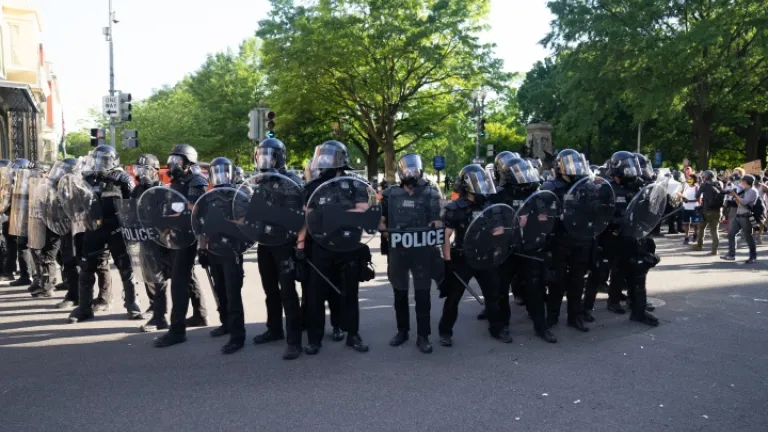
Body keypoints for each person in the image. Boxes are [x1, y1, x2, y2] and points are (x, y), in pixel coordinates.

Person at [298, 140, 372, 355]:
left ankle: (352, 334)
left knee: (349, 293)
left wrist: (329, 214)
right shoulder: (313, 186)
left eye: (329, 156)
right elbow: (305, 216)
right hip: (319, 245)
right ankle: (314, 339)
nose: (324, 160)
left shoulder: (355, 183)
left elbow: (363, 209)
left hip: (347, 244)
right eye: (322, 156)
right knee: (315, 295)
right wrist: (301, 243)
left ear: (340, 159)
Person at [438, 164, 513, 346]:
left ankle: (497, 328)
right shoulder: (455, 207)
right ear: (466, 184)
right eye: (476, 182)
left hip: (486, 256)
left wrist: (499, 233)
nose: (481, 185)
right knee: (454, 297)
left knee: (493, 295)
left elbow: (500, 229)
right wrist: (447, 262)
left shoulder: (491, 205)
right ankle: (445, 331)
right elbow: (446, 236)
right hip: (463, 257)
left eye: (482, 181)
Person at [68, 146, 142, 324]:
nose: (100, 163)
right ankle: (84, 308)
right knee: (86, 267)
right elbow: (76, 200)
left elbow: (133, 202)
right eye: (97, 159)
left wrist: (126, 182)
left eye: (104, 159)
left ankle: (132, 304)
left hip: (116, 227)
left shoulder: (122, 178)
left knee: (125, 267)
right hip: (93, 227)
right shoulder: (87, 178)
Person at [250, 138, 305, 360]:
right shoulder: (261, 182)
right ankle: (274, 329)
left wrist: (299, 243)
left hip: (284, 243)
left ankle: (294, 340)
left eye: (268, 155)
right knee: (270, 289)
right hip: (265, 242)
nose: (263, 159)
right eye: (261, 155)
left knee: (287, 292)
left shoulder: (290, 181)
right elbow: (253, 212)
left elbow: (299, 215)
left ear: (278, 157)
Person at [380, 153, 441, 353]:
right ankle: (402, 330)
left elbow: (437, 221)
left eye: (414, 169)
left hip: (422, 251)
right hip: (398, 250)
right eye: (407, 170)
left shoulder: (430, 193)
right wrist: (384, 230)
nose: (411, 173)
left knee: (423, 293)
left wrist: (435, 226)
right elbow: (381, 218)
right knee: (400, 292)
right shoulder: (389, 194)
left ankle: (423, 335)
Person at [493, 153, 556, 343]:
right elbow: (493, 223)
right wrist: (512, 222)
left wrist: (535, 219)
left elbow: (545, 218)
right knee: (501, 288)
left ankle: (541, 326)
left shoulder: (533, 193)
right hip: (506, 249)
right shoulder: (499, 194)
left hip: (528, 246)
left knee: (534, 287)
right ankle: (502, 325)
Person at [154, 144, 210, 347]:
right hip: (176, 235)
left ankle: (177, 330)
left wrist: (181, 209)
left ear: (188, 162)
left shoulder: (197, 181)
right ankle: (200, 315)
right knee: (188, 277)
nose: (172, 164)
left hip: (190, 236)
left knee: (178, 282)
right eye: (172, 160)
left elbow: (198, 209)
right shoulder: (176, 182)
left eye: (177, 160)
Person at [198, 157, 248, 354]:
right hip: (213, 249)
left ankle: (238, 335)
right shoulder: (208, 197)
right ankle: (226, 323)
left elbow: (245, 224)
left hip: (232, 249)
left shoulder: (238, 195)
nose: (219, 176)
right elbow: (201, 225)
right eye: (215, 172)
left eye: (223, 171)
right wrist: (202, 248)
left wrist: (225, 222)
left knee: (233, 292)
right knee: (220, 289)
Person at [540, 149, 592, 332]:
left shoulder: (586, 186)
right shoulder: (550, 187)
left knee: (578, 281)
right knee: (557, 281)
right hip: (559, 240)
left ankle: (575, 317)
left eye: (576, 163)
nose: (573, 167)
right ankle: (552, 317)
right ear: (559, 166)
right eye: (569, 164)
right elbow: (541, 214)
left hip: (580, 239)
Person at [130, 153, 171, 332]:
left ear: (155, 171)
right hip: (143, 237)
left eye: (145, 169)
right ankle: (154, 306)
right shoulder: (137, 189)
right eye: (139, 169)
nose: (141, 173)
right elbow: (131, 210)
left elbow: (164, 215)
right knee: (147, 275)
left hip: (158, 239)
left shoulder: (161, 189)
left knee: (159, 277)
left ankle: (160, 317)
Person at [721, 174, 758, 263]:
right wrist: (733, 195)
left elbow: (744, 202)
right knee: (731, 234)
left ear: (746, 182)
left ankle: (753, 256)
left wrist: (735, 195)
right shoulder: (744, 190)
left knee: (748, 236)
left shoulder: (752, 191)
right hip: (738, 216)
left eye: (743, 181)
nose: (741, 183)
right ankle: (731, 254)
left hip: (746, 217)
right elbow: (739, 203)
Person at [691, 170, 723, 254]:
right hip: (717, 210)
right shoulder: (719, 183)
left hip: (707, 210)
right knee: (714, 230)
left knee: (701, 228)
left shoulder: (704, 185)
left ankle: (699, 245)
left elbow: (697, 195)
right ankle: (714, 249)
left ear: (706, 176)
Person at [681, 175, 701, 245]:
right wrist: (683, 198)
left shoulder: (697, 187)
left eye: (691, 179)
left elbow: (699, 197)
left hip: (694, 207)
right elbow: (683, 195)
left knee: (695, 224)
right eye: (688, 179)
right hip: (686, 207)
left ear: (694, 180)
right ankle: (686, 236)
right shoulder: (686, 187)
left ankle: (695, 234)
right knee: (686, 223)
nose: (689, 180)